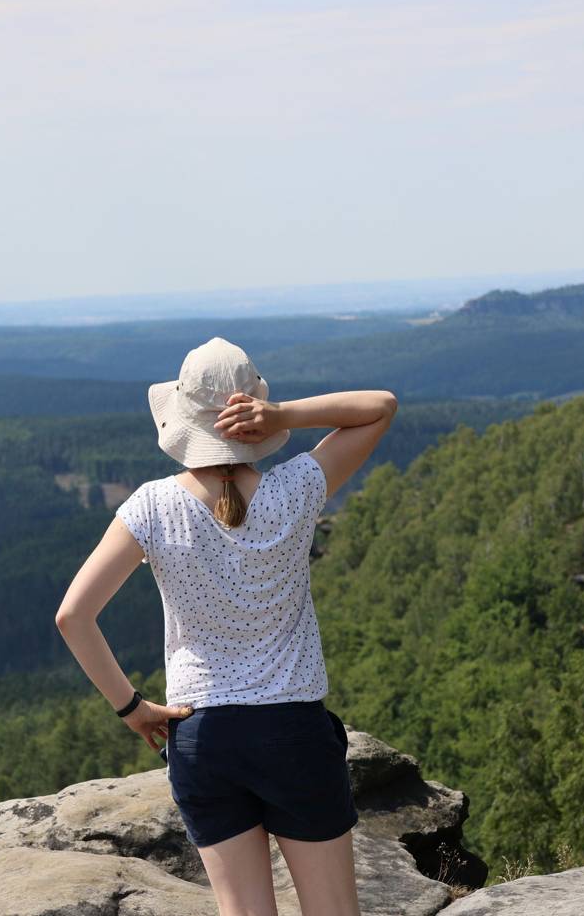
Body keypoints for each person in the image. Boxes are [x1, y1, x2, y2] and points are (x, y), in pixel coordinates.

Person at [55, 335, 398, 916]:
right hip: (294, 731)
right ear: (253, 416)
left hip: (202, 736)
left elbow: (73, 616)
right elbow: (380, 406)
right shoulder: (296, 489)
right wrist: (284, 416)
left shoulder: (151, 505)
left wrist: (132, 708)